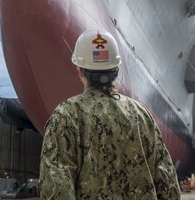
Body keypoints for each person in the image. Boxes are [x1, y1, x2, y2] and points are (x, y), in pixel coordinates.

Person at [39, 29, 180, 199]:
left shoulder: (66, 114)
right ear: (115, 70)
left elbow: (56, 186)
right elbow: (167, 181)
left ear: (80, 71)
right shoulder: (141, 114)